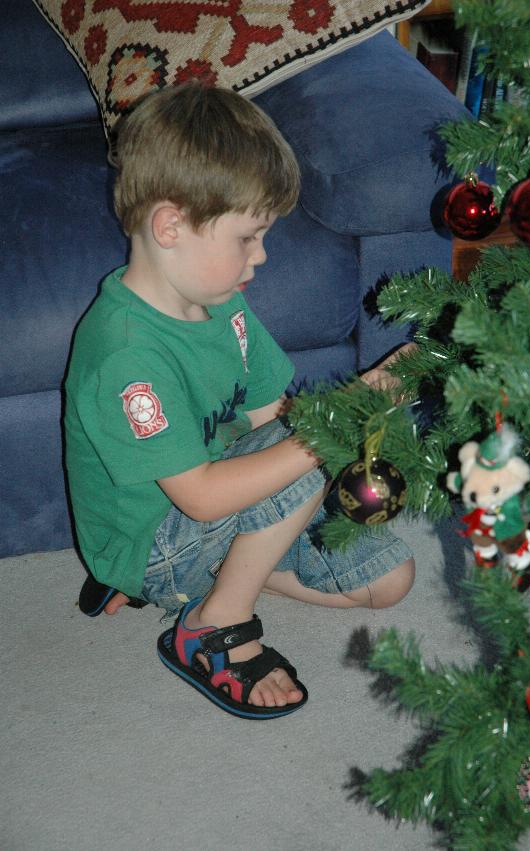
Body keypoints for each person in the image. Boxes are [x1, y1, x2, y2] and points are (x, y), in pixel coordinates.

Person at [64, 81, 415, 720]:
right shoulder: (125, 356)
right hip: (156, 540)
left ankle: (229, 577)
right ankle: (212, 619)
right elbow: (202, 496)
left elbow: (270, 416)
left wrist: (344, 448)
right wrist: (332, 426)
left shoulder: (224, 308)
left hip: (220, 515)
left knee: (390, 582)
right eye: (248, 238)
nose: (262, 255)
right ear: (170, 225)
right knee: (309, 436)